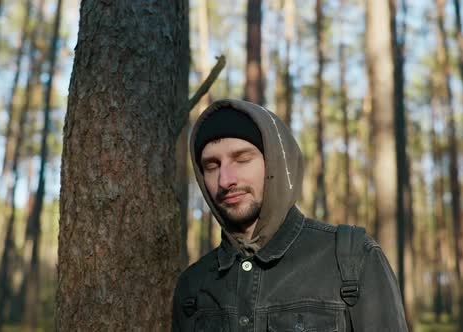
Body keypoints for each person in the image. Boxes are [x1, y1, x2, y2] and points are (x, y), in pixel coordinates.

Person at [172, 99, 408, 331]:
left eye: (242, 159)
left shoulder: (352, 260)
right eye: (212, 166)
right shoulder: (192, 286)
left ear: (275, 162)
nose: (225, 180)